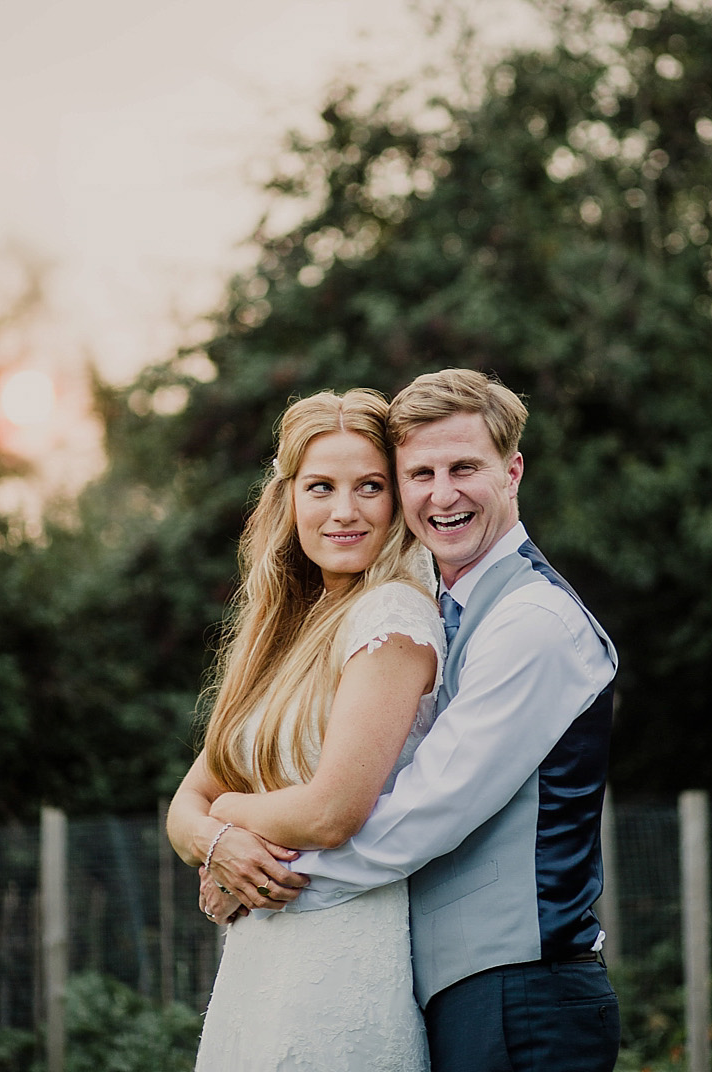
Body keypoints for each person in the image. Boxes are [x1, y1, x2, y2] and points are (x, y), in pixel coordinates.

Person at [284, 368, 621, 1072]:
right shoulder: (444, 610)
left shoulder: (532, 622)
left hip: (524, 997)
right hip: (472, 998)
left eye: (464, 467)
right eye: (421, 473)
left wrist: (273, 883)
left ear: (512, 471)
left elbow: (425, 814)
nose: (443, 495)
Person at [166, 388, 446, 1072]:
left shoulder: (392, 616)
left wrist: (226, 817)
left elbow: (329, 812)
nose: (344, 511)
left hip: (339, 953)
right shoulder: (286, 630)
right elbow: (182, 808)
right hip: (261, 959)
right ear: (290, 499)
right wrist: (214, 842)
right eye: (322, 486)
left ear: (397, 502)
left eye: (370, 487)